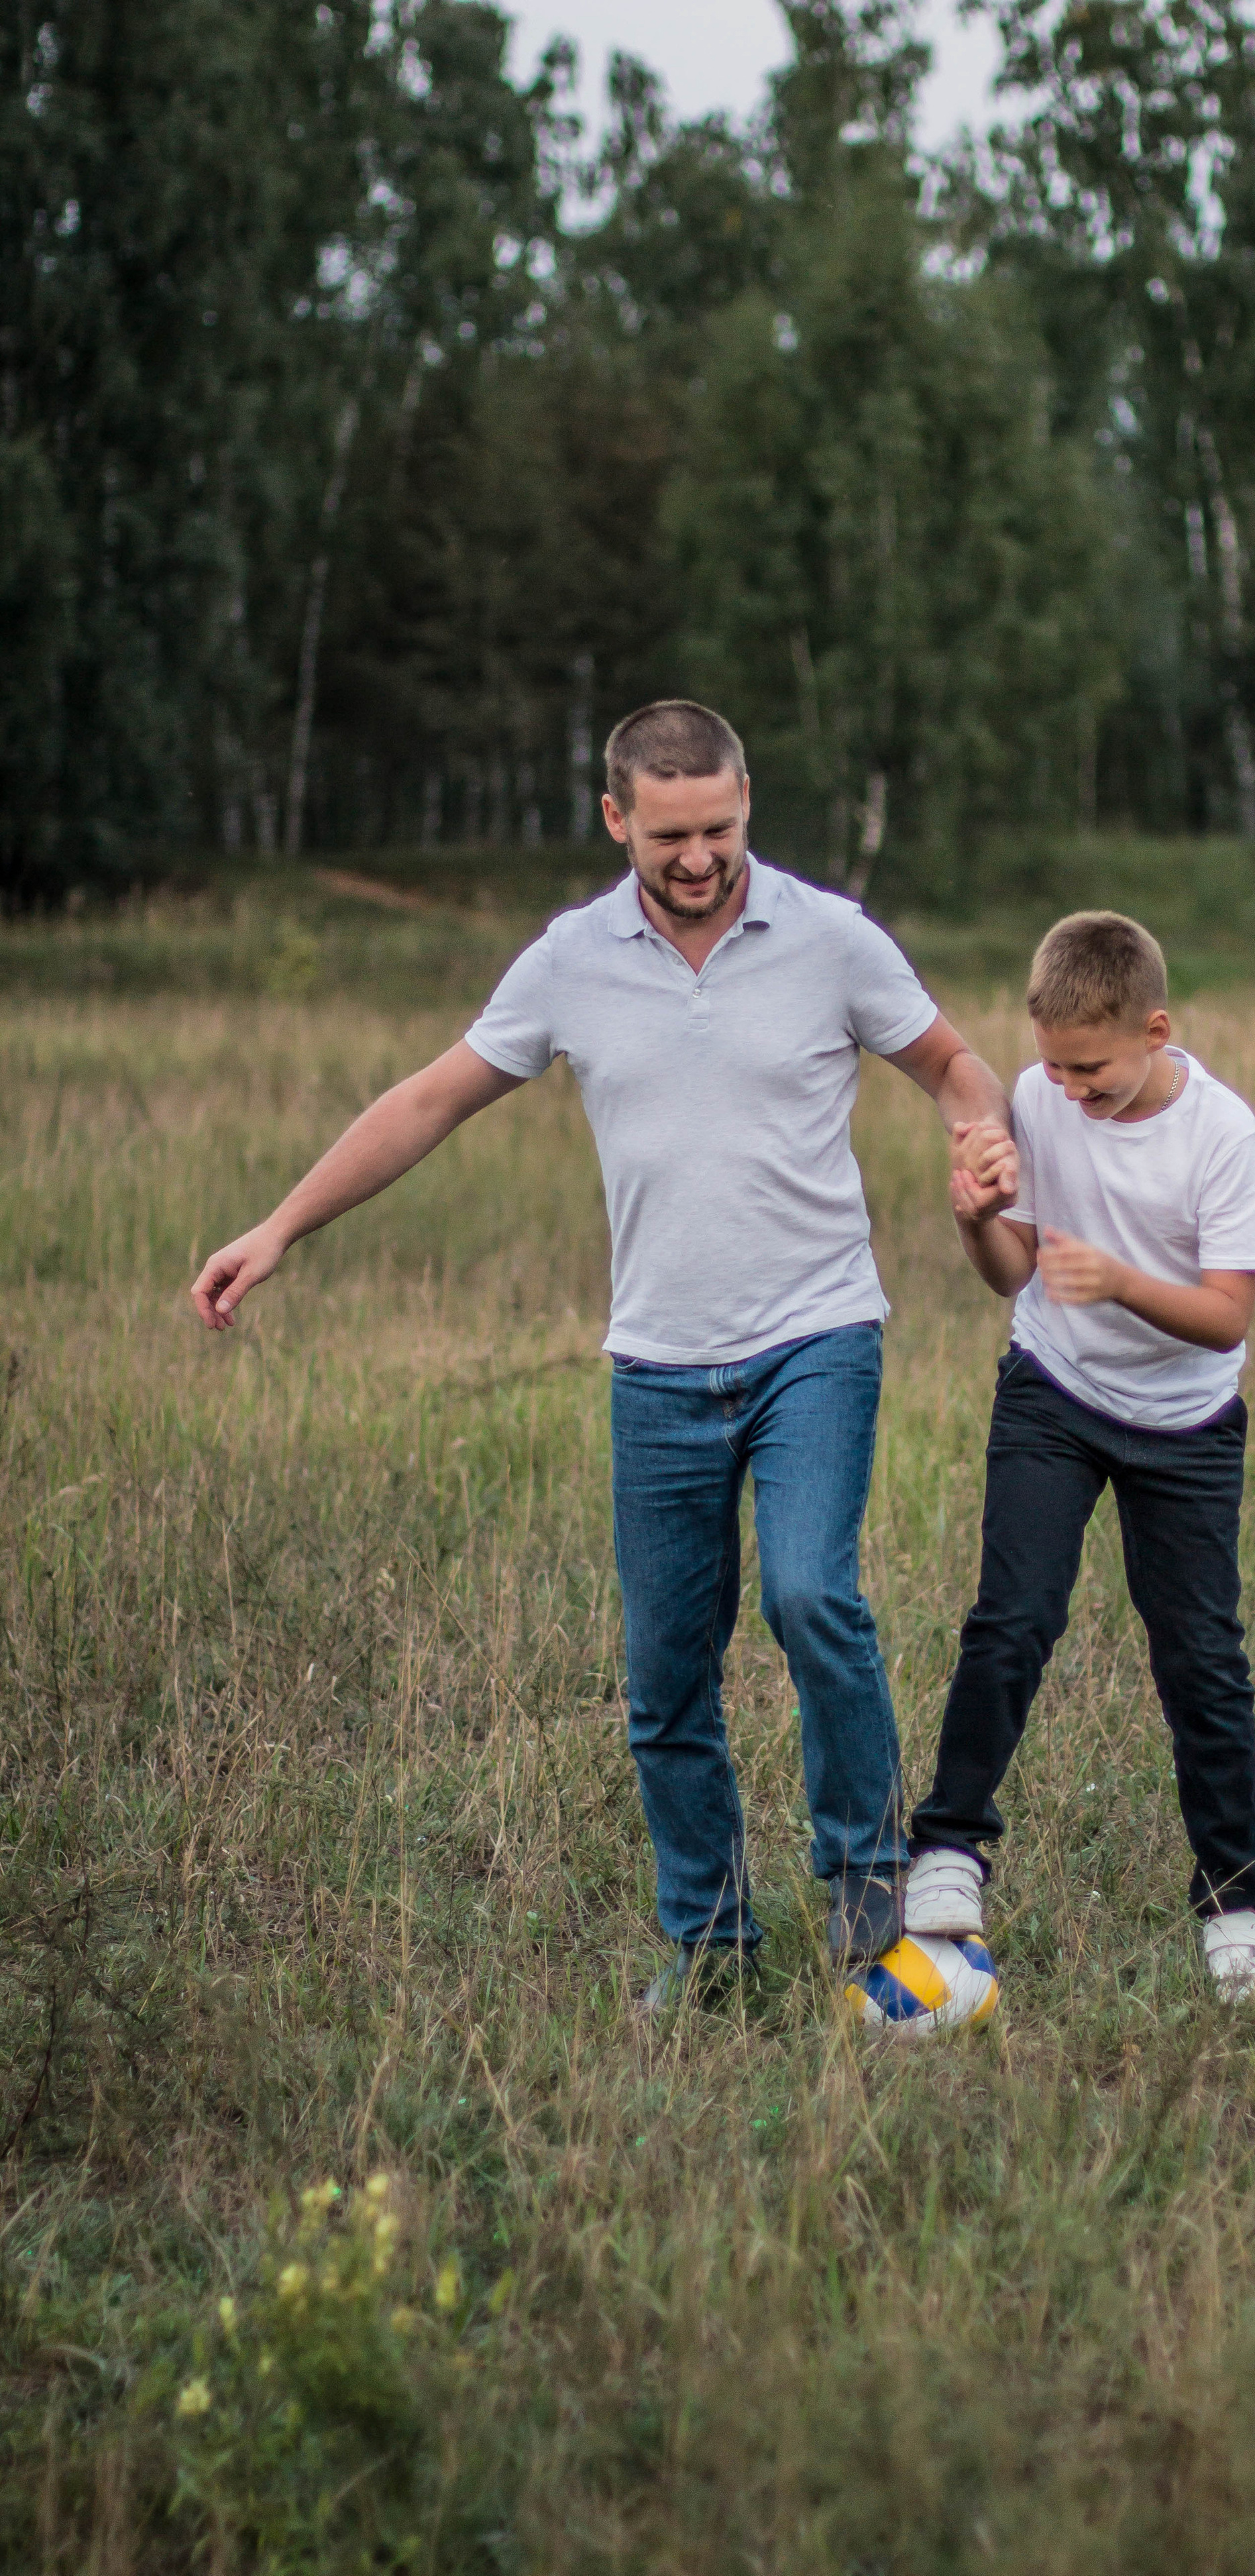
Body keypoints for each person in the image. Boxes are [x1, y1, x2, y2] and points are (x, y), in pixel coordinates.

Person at [190, 700, 1010, 2008]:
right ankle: (709, 1947)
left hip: (815, 1335)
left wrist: (981, 1141)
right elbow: (429, 1099)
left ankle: (872, 1907)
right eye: (670, 835)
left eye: (720, 828)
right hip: (658, 1368)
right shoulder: (570, 959)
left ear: (747, 802)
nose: (700, 857)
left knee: (812, 1598)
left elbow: (955, 1064)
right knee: (665, 1676)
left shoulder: (830, 938)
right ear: (617, 817)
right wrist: (280, 1226)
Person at [901, 910, 1255, 2000]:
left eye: (1091, 1071)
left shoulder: (1224, 1134)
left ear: (1155, 1030)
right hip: (1054, 1394)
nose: (1067, 1090)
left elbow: (1225, 1318)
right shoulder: (1036, 1097)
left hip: (1187, 1426)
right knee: (1013, 1618)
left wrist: (1117, 1281)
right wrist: (976, 1216)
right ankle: (948, 1850)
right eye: (1053, 1066)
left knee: (1201, 1662)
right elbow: (1011, 1272)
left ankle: (1236, 1905)